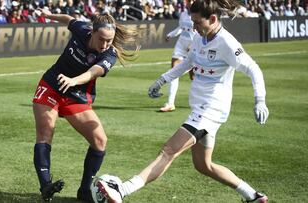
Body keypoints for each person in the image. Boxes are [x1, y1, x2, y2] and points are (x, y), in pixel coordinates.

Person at [95, 0, 269, 202]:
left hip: (210, 111)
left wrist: (260, 100)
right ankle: (253, 196)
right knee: (204, 165)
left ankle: (122, 190)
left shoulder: (227, 43)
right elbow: (188, 62)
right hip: (200, 109)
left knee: (168, 151)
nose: (193, 26)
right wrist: (162, 80)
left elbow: (253, 68)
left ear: (212, 19)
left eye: (197, 22)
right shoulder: (199, 37)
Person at [32, 8, 139, 202]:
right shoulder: (82, 29)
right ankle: (46, 185)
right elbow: (68, 18)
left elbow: (93, 73)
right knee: (45, 132)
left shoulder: (110, 55)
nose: (106, 44)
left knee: (100, 141)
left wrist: (73, 81)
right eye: (102, 39)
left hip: (76, 95)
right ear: (93, 32)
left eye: (110, 40)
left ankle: (84, 191)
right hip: (51, 86)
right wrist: (48, 16)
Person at [160, 0, 196, 112]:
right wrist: (170, 34)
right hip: (181, 45)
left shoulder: (200, 13)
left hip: (193, 47)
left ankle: (202, 101)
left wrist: (194, 44)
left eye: (191, 1)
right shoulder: (183, 14)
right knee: (174, 72)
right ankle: (170, 103)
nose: (188, 3)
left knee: (194, 77)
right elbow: (180, 28)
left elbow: (201, 32)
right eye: (187, 1)